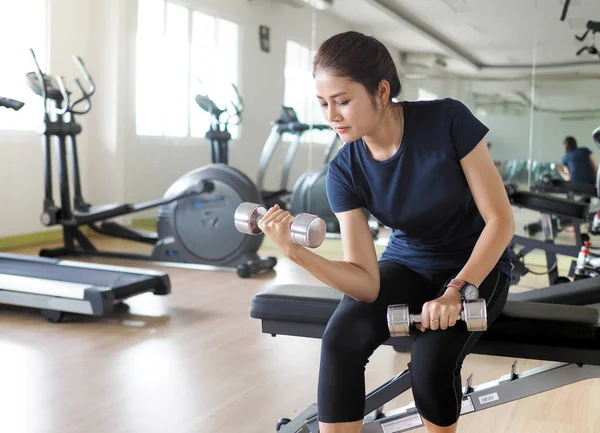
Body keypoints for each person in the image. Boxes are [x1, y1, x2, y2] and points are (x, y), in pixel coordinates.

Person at [257, 31, 514, 433]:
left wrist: (456, 290)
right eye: (324, 103)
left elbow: (500, 220)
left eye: (343, 101)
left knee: (429, 364)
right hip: (405, 262)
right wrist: (295, 253)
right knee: (341, 338)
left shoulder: (447, 119)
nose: (332, 115)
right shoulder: (344, 171)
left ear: (381, 91)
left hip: (477, 264)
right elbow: (365, 284)